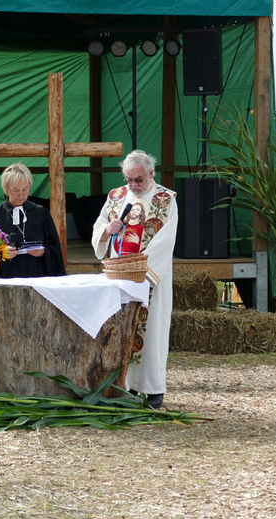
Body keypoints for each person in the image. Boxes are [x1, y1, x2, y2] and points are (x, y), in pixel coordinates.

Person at [91, 150, 177, 409]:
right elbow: (99, 226)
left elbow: (165, 241)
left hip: (148, 278)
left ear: (151, 173)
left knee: (151, 334)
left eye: (138, 179)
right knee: (120, 332)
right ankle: (123, 389)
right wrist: (107, 230)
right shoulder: (116, 196)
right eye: (129, 179)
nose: (133, 185)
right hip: (118, 277)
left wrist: (140, 269)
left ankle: (152, 390)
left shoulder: (165, 199)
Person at [0, 162, 66, 278]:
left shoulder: (41, 213)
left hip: (36, 275)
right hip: (5, 277)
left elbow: (55, 248)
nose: (21, 194)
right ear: (6, 189)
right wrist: (0, 253)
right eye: (16, 190)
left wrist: (44, 252)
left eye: (25, 189)